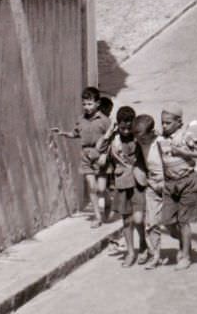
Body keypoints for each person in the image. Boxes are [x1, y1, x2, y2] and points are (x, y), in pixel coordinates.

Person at [51, 86, 110, 228]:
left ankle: (108, 201)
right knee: (92, 187)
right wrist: (62, 133)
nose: (87, 107)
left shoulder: (104, 120)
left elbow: (111, 139)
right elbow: (75, 134)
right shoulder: (81, 119)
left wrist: (104, 155)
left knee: (101, 189)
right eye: (84, 104)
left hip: (101, 157)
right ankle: (97, 217)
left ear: (97, 104)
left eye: (90, 104)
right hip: (86, 157)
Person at [158, 102, 197, 271]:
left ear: (178, 122)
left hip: (187, 181)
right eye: (162, 122)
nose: (164, 126)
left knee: (184, 221)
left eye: (168, 123)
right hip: (170, 183)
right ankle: (184, 243)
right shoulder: (161, 138)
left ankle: (185, 256)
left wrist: (184, 152)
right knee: (168, 222)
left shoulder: (186, 136)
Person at [99, 106, 148, 267]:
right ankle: (130, 251)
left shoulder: (138, 137)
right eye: (122, 127)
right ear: (117, 124)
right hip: (121, 184)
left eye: (129, 127)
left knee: (139, 219)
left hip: (137, 182)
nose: (126, 131)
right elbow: (99, 149)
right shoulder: (113, 138)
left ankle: (143, 243)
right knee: (126, 220)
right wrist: (109, 132)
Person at [135, 113, 168, 270]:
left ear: (151, 132)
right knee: (151, 223)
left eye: (143, 138)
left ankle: (184, 249)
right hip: (152, 184)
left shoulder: (161, 142)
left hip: (167, 183)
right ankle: (155, 255)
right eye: (139, 138)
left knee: (173, 223)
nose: (140, 141)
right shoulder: (140, 142)